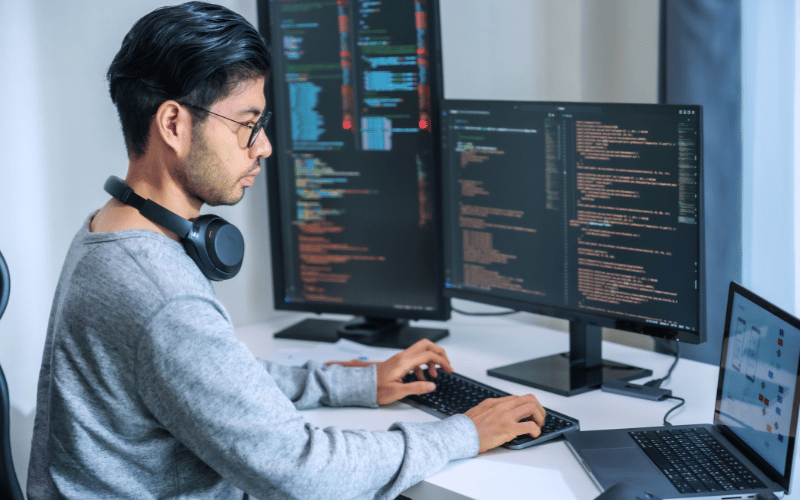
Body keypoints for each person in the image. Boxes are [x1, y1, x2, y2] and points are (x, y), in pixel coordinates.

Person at [26, 3, 545, 499]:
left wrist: (355, 385)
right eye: (247, 124)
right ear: (173, 125)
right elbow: (304, 475)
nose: (265, 146)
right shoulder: (163, 297)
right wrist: (463, 433)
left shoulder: (108, 228)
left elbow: (214, 382)